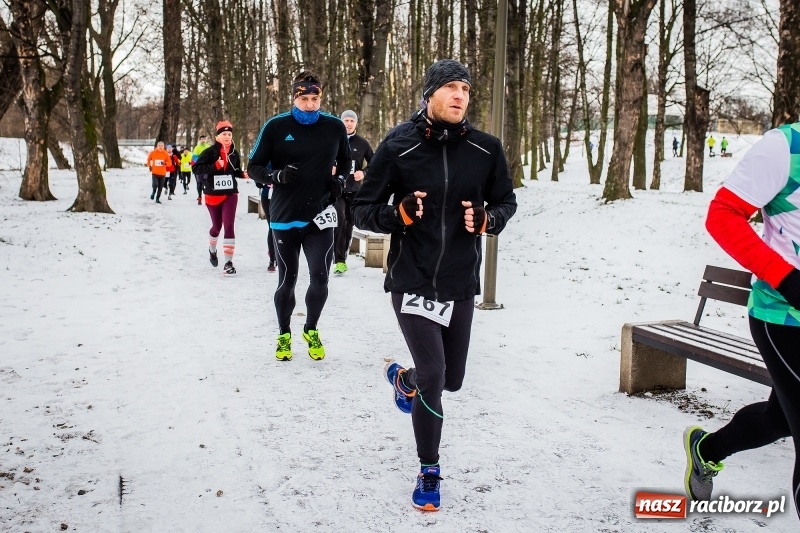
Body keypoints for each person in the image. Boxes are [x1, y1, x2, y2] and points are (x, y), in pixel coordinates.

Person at [352, 59, 517, 512]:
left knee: (453, 380)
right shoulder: (399, 146)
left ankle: (403, 381)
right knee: (434, 376)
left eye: (465, 87)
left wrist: (489, 219)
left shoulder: (486, 149)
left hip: (461, 283)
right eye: (450, 87)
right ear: (429, 95)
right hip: (413, 280)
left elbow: (506, 201)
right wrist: (397, 215)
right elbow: (363, 208)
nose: (460, 95)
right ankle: (429, 470)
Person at [684, 122, 800, 522]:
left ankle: (707, 450)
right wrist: (787, 278)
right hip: (786, 317)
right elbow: (722, 215)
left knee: (780, 419)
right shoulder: (786, 146)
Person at [247, 71, 351, 361]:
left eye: (314, 98)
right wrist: (275, 175)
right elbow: (253, 166)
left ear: (321, 98)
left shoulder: (334, 127)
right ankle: (283, 334)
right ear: (294, 98)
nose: (309, 104)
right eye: (303, 98)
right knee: (287, 280)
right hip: (285, 216)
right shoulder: (276, 126)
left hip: (320, 216)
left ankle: (311, 328)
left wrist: (340, 180)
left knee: (320, 278)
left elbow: (345, 160)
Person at [192, 121, 248, 275]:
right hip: (212, 194)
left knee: (229, 225)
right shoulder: (210, 152)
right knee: (217, 227)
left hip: (230, 193)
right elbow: (196, 169)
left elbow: (235, 170)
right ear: (218, 136)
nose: (227, 137)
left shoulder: (234, 153)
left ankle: (228, 263)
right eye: (224, 134)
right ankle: (212, 250)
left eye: (229, 134)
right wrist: (215, 166)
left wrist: (242, 174)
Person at [332, 110, 374, 274]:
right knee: (340, 220)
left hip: (354, 190)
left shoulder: (362, 143)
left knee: (349, 224)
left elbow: (375, 162)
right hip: (337, 189)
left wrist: (363, 172)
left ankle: (341, 256)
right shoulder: (334, 141)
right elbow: (322, 159)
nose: (348, 123)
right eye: (346, 120)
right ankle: (338, 259)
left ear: (356, 124)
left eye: (352, 121)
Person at [258, 181, 277, 272]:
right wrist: (259, 182)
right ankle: (272, 259)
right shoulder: (267, 165)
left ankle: (279, 254)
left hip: (284, 196)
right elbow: (256, 170)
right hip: (267, 196)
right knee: (272, 226)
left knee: (281, 227)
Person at [192, 135, 211, 205]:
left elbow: (211, 156)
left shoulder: (208, 147)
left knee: (206, 182)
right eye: (201, 139)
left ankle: (207, 197)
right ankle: (199, 197)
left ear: (205, 140)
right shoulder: (197, 148)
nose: (203, 140)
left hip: (206, 168)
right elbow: (194, 158)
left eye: (204, 139)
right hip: (199, 168)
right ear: (200, 140)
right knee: (199, 183)